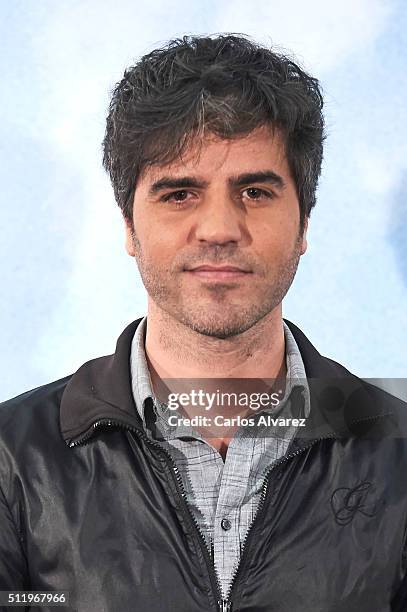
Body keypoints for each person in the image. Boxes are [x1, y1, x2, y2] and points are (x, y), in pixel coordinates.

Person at [0, 34, 406, 612]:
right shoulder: (12, 458)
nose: (218, 228)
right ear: (129, 227)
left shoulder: (397, 449)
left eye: (256, 191)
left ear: (304, 223)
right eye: (180, 193)